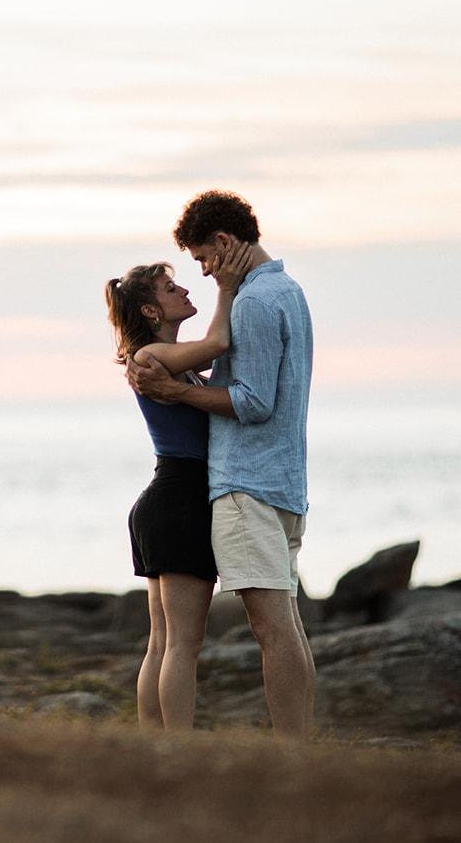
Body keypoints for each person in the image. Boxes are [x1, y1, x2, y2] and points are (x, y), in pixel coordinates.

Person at [127, 190, 316, 740]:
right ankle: (170, 750)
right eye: (178, 280)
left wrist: (182, 393)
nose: (203, 275)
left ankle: (286, 755)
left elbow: (251, 399)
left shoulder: (252, 301)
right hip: (244, 487)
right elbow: (228, 365)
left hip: (245, 486)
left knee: (262, 630)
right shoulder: (288, 291)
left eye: (204, 260)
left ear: (226, 243)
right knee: (197, 638)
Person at [104, 239, 251, 731]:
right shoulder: (153, 355)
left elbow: (216, 363)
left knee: (163, 642)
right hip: (181, 499)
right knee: (182, 645)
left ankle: (154, 747)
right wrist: (227, 289)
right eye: (171, 288)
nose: (185, 288)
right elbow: (218, 344)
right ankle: (179, 751)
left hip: (165, 500)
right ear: (150, 309)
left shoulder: (167, 358)